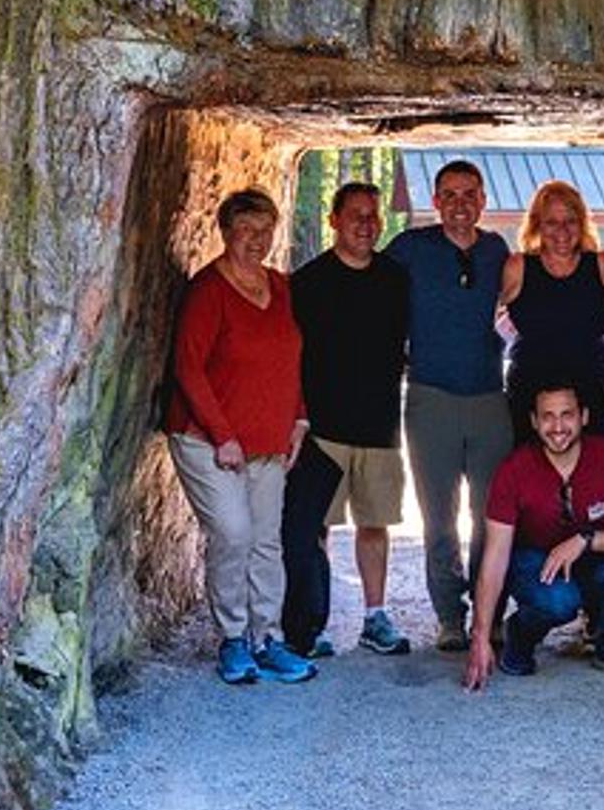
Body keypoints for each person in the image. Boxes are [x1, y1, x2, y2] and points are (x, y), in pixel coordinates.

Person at [164, 188, 316, 686]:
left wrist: (298, 420)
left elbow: (290, 359)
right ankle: (232, 638)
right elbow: (188, 367)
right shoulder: (209, 291)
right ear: (225, 232)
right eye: (244, 231)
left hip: (269, 439)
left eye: (264, 230)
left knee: (266, 541)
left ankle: (266, 637)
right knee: (233, 533)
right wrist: (223, 435)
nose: (255, 240)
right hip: (207, 439)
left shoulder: (281, 287)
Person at [384, 160, 513, 652]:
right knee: (439, 516)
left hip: (488, 397)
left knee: (490, 515)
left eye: (469, 194)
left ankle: (489, 609)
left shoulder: (498, 250)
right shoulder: (411, 249)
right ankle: (449, 617)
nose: (460, 204)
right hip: (430, 396)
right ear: (435, 202)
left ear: (482, 200)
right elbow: (372, 295)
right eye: (450, 195)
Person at [462, 382, 604, 689]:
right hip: (535, 561)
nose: (557, 427)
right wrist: (480, 636)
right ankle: (519, 636)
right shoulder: (513, 469)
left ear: (583, 416)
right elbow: (494, 557)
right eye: (547, 416)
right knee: (558, 601)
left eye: (567, 415)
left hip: (595, 554)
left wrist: (586, 540)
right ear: (533, 421)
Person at [284, 182, 412, 659]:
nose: (366, 224)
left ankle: (375, 617)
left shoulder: (396, 279)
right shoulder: (308, 282)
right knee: (316, 528)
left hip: (380, 426)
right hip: (323, 429)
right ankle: (311, 621)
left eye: (373, 215)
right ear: (333, 220)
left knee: (375, 524)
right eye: (355, 214)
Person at [500, 180, 604, 438]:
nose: (562, 231)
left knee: (590, 475)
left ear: (582, 223)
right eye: (551, 222)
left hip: (591, 396)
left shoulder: (602, 266)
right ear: (537, 225)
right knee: (532, 475)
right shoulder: (518, 267)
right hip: (530, 397)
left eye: (570, 221)